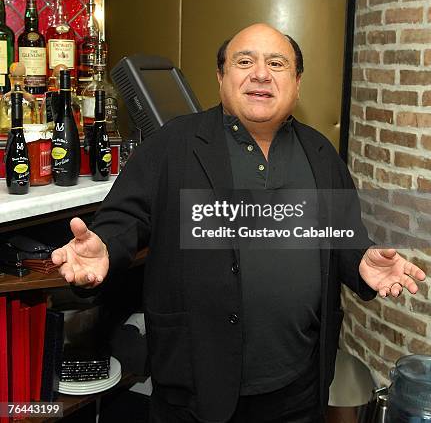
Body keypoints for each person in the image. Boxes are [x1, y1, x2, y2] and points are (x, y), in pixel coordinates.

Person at [52, 23, 426, 423]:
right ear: (221, 77)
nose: (260, 74)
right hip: (196, 388)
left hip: (300, 386)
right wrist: (105, 246)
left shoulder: (320, 153)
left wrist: (360, 261)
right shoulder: (173, 144)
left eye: (277, 63)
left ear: (297, 82)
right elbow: (125, 217)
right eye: (244, 61)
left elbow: (341, 234)